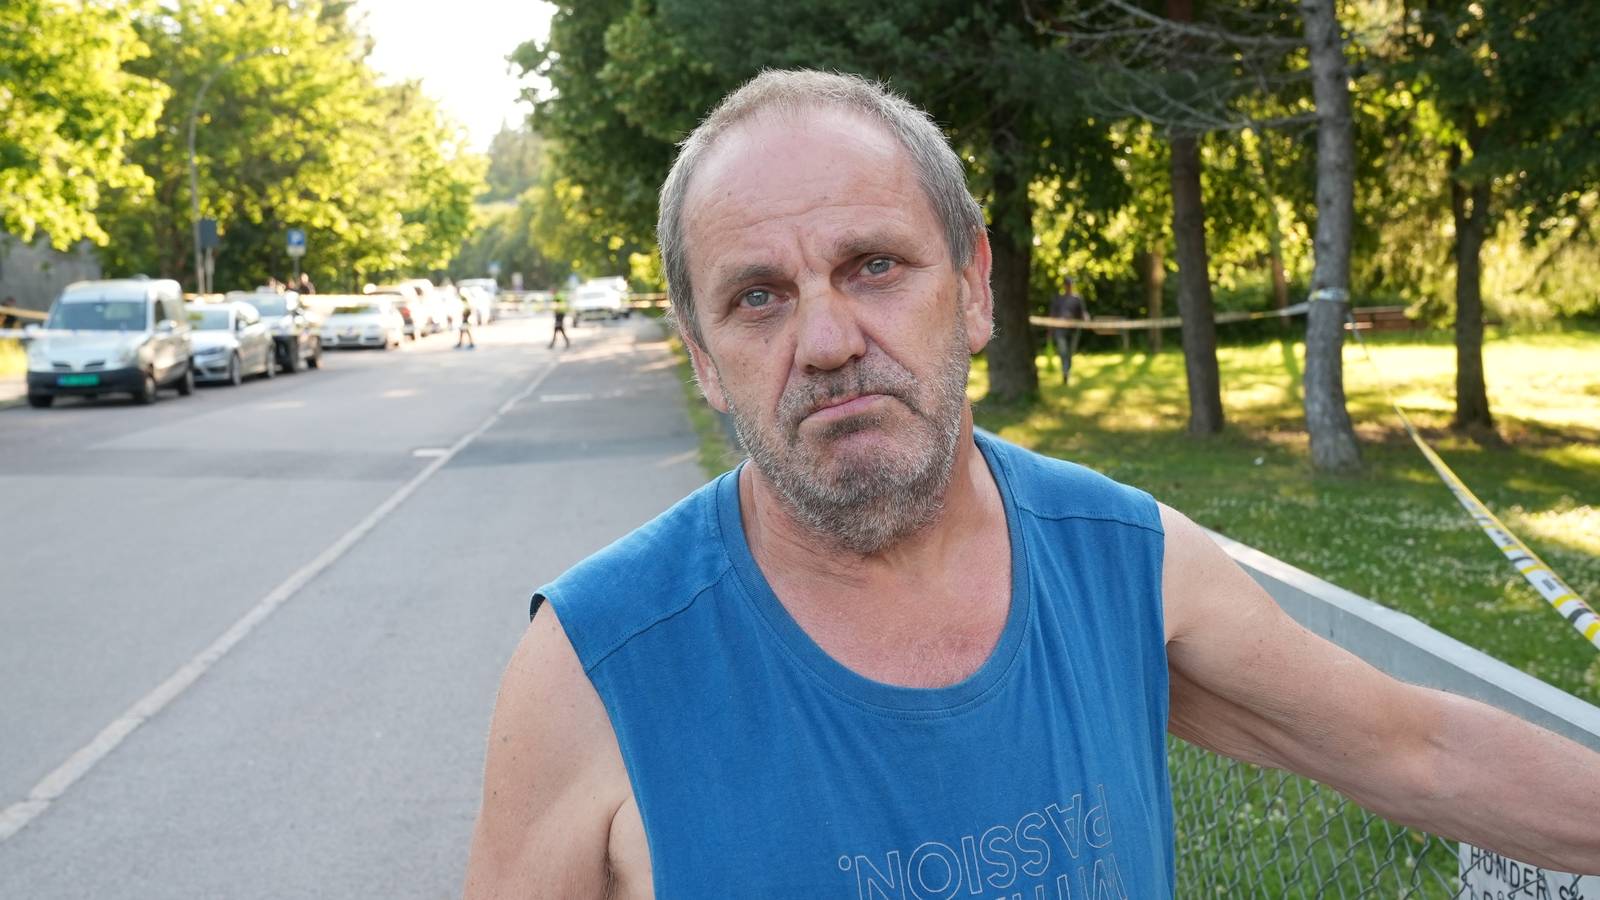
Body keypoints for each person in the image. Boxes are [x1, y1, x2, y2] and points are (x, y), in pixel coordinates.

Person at [464, 70, 1600, 898]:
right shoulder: (596, 664)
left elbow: (1416, 750)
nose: (824, 338)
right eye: (757, 296)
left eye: (874, 265)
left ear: (970, 288)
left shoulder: (1122, 561)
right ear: (704, 356)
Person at [1048, 276, 1088, 383]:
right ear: (1064, 286)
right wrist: (1050, 329)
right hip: (1060, 330)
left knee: (1070, 353)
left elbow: (1082, 313)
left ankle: (1066, 371)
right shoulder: (1058, 299)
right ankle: (1065, 371)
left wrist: (1085, 317)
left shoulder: (1077, 299)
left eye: (1070, 284)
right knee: (1063, 351)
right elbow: (1052, 315)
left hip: (1073, 331)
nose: (1068, 287)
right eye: (1067, 285)